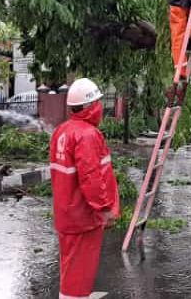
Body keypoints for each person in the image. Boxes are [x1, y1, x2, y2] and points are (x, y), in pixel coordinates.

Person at [49, 78, 120, 299]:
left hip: (67, 214)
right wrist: (105, 209)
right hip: (83, 217)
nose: (100, 108)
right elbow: (91, 178)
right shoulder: (87, 135)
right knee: (79, 277)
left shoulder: (62, 131)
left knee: (70, 269)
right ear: (89, 107)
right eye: (97, 103)